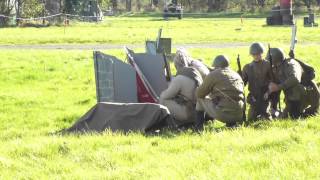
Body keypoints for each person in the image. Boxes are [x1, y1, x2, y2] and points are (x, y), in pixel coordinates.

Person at [195, 55, 245, 130]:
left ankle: (199, 128)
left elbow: (199, 94)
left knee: (200, 99)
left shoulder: (213, 75)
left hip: (224, 114)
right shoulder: (236, 75)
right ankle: (232, 124)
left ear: (215, 65)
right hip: (239, 114)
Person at [267, 48, 319, 119]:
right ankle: (277, 111)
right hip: (295, 96)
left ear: (276, 60)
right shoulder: (277, 67)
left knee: (292, 117)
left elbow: (295, 79)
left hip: (306, 93)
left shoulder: (291, 64)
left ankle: (305, 111)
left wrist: (279, 87)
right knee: (285, 116)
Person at [160, 53, 203, 127]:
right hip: (200, 113)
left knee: (162, 100)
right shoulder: (196, 74)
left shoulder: (179, 79)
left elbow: (165, 96)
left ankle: (168, 123)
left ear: (176, 65)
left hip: (189, 113)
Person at [242, 42, 273, 121]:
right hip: (254, 97)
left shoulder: (268, 65)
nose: (256, 56)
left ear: (262, 53)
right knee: (251, 119)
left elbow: (272, 81)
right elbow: (243, 83)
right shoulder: (247, 67)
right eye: (254, 54)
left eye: (258, 54)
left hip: (265, 95)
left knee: (266, 116)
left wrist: (268, 92)